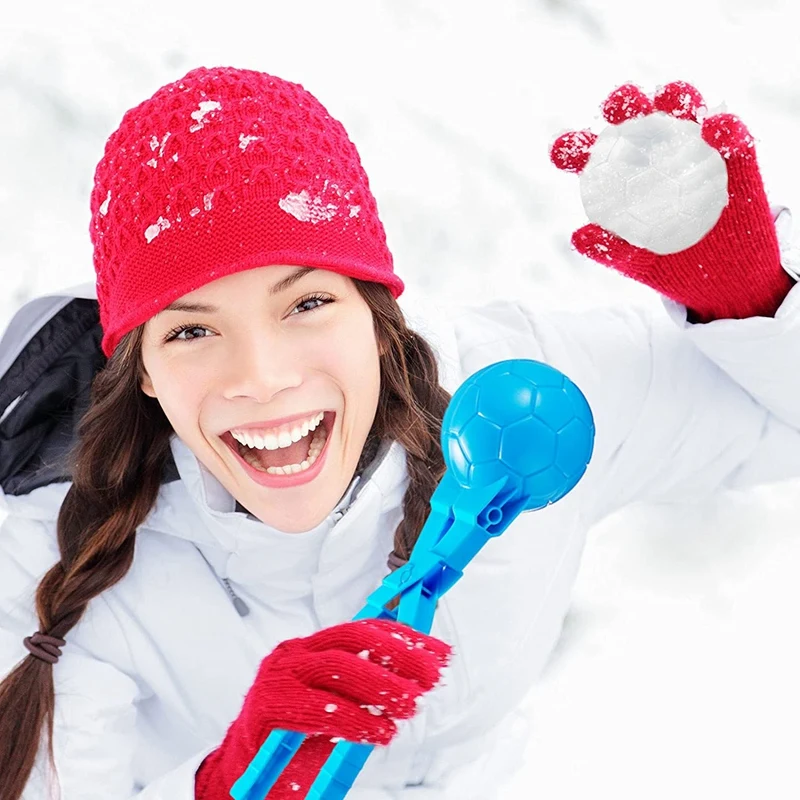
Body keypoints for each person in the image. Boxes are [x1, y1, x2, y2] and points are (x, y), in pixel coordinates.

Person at [0, 66, 799, 800]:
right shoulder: (46, 554)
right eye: (191, 333)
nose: (264, 377)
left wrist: (749, 301)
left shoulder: (525, 405)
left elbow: (776, 423)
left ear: (378, 314)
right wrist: (221, 783)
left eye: (307, 304)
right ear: (140, 370)